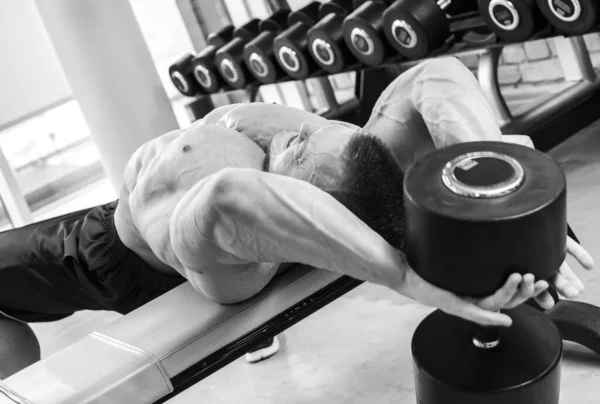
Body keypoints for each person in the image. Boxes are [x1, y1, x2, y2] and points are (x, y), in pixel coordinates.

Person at [0, 57, 593, 378]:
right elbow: (432, 78)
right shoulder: (348, 155)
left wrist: (410, 278)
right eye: (318, 134)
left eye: (298, 152)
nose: (296, 132)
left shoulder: (219, 235)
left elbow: (231, 197)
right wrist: (509, 215)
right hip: (117, 215)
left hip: (101, 258)